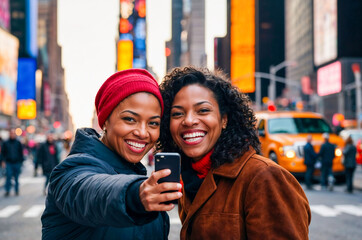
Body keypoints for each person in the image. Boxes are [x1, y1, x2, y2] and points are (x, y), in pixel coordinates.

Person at [158, 66, 311, 239]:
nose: (189, 121)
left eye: (203, 110)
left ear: (224, 119)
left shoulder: (264, 176)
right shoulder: (188, 179)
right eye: (177, 114)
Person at [41, 69, 182, 240]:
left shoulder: (144, 181)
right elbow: (91, 191)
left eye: (153, 123)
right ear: (106, 120)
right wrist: (134, 195)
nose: (143, 132)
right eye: (130, 119)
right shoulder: (69, 172)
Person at [0, 129, 24, 196]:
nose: (12, 135)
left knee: (16, 177)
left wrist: (21, 161)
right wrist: (3, 161)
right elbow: (3, 153)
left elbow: (21, 153)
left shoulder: (18, 143)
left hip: (16, 162)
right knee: (8, 176)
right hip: (9, 162)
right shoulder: (5, 143)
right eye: (11, 133)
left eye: (13, 133)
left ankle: (16, 190)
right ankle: (7, 190)